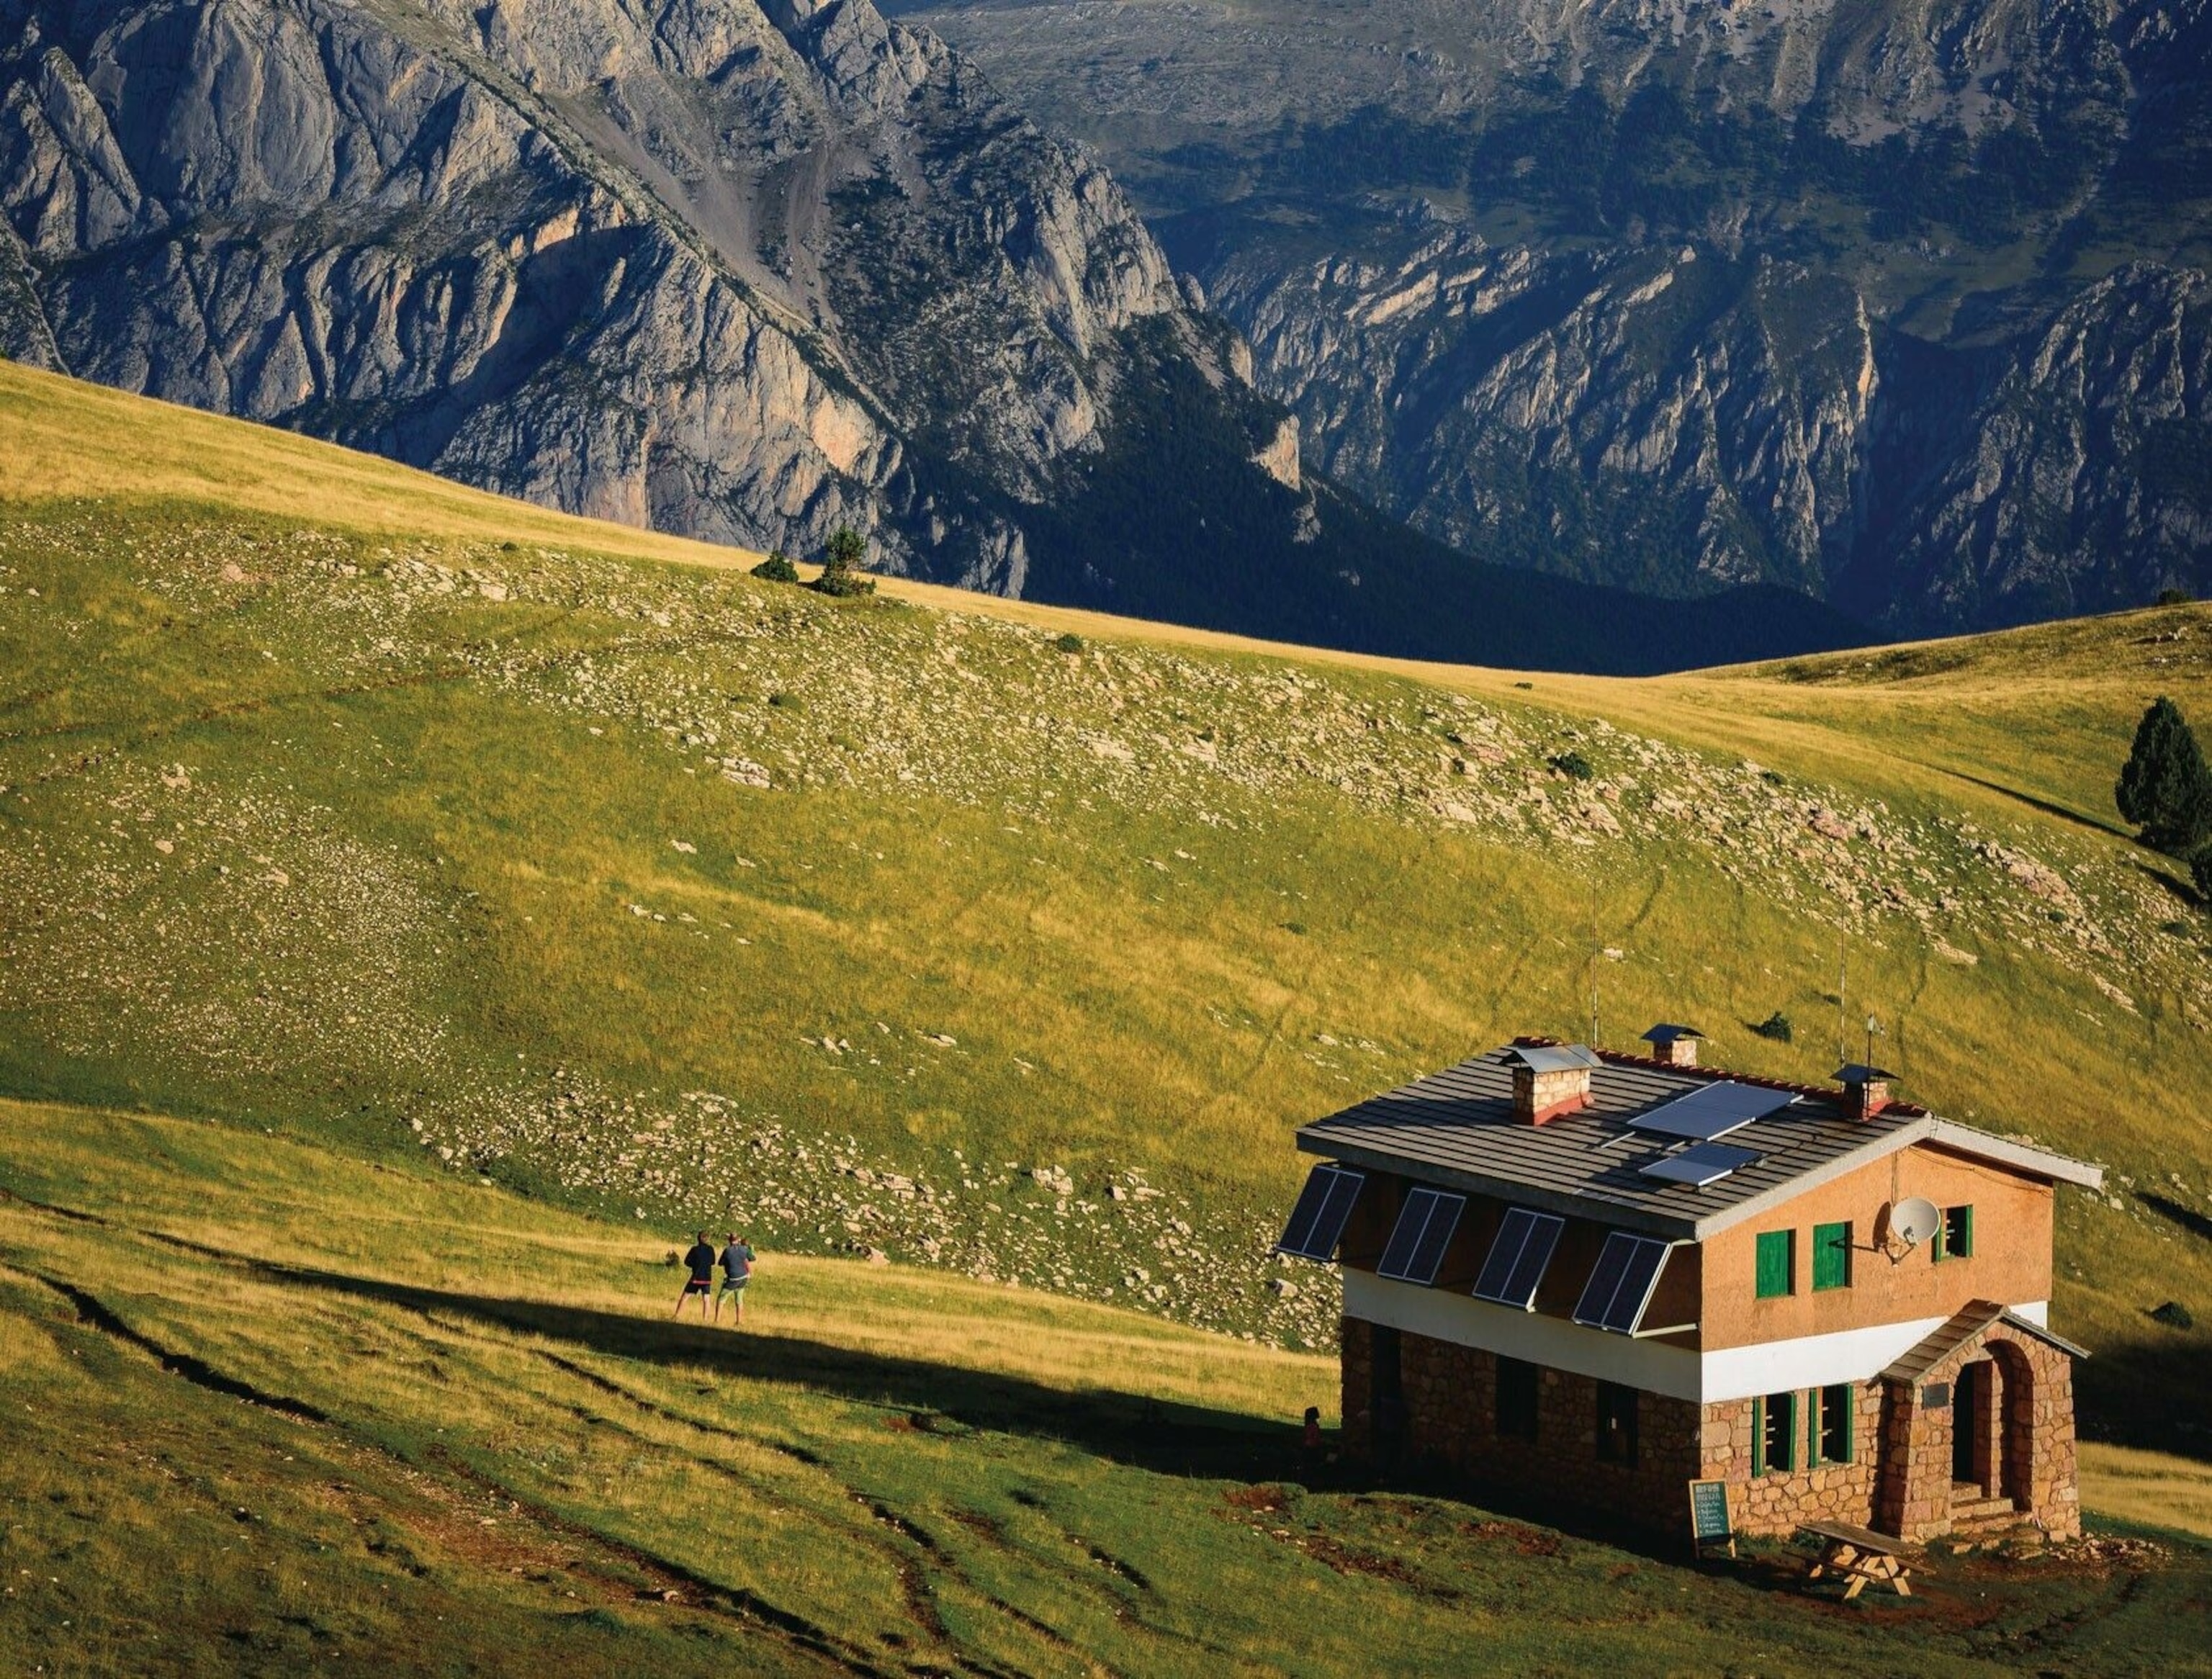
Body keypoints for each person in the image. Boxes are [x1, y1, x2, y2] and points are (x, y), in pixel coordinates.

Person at [714, 1233, 756, 1325]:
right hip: (744, 1277)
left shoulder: (727, 1251)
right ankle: (739, 1321)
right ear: (739, 1240)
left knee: (721, 1298)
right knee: (739, 1299)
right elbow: (753, 1258)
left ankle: (717, 1320)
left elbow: (720, 1263)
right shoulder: (744, 1249)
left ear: (730, 1240)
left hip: (733, 1278)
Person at [675, 1230, 716, 1319]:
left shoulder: (694, 1249)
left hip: (696, 1277)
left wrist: (695, 1265)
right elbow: (713, 1262)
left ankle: (677, 1315)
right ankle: (705, 1319)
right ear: (708, 1239)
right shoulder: (711, 1249)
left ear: (698, 1239)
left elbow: (687, 1262)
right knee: (706, 1299)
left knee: (685, 1297)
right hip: (707, 1278)